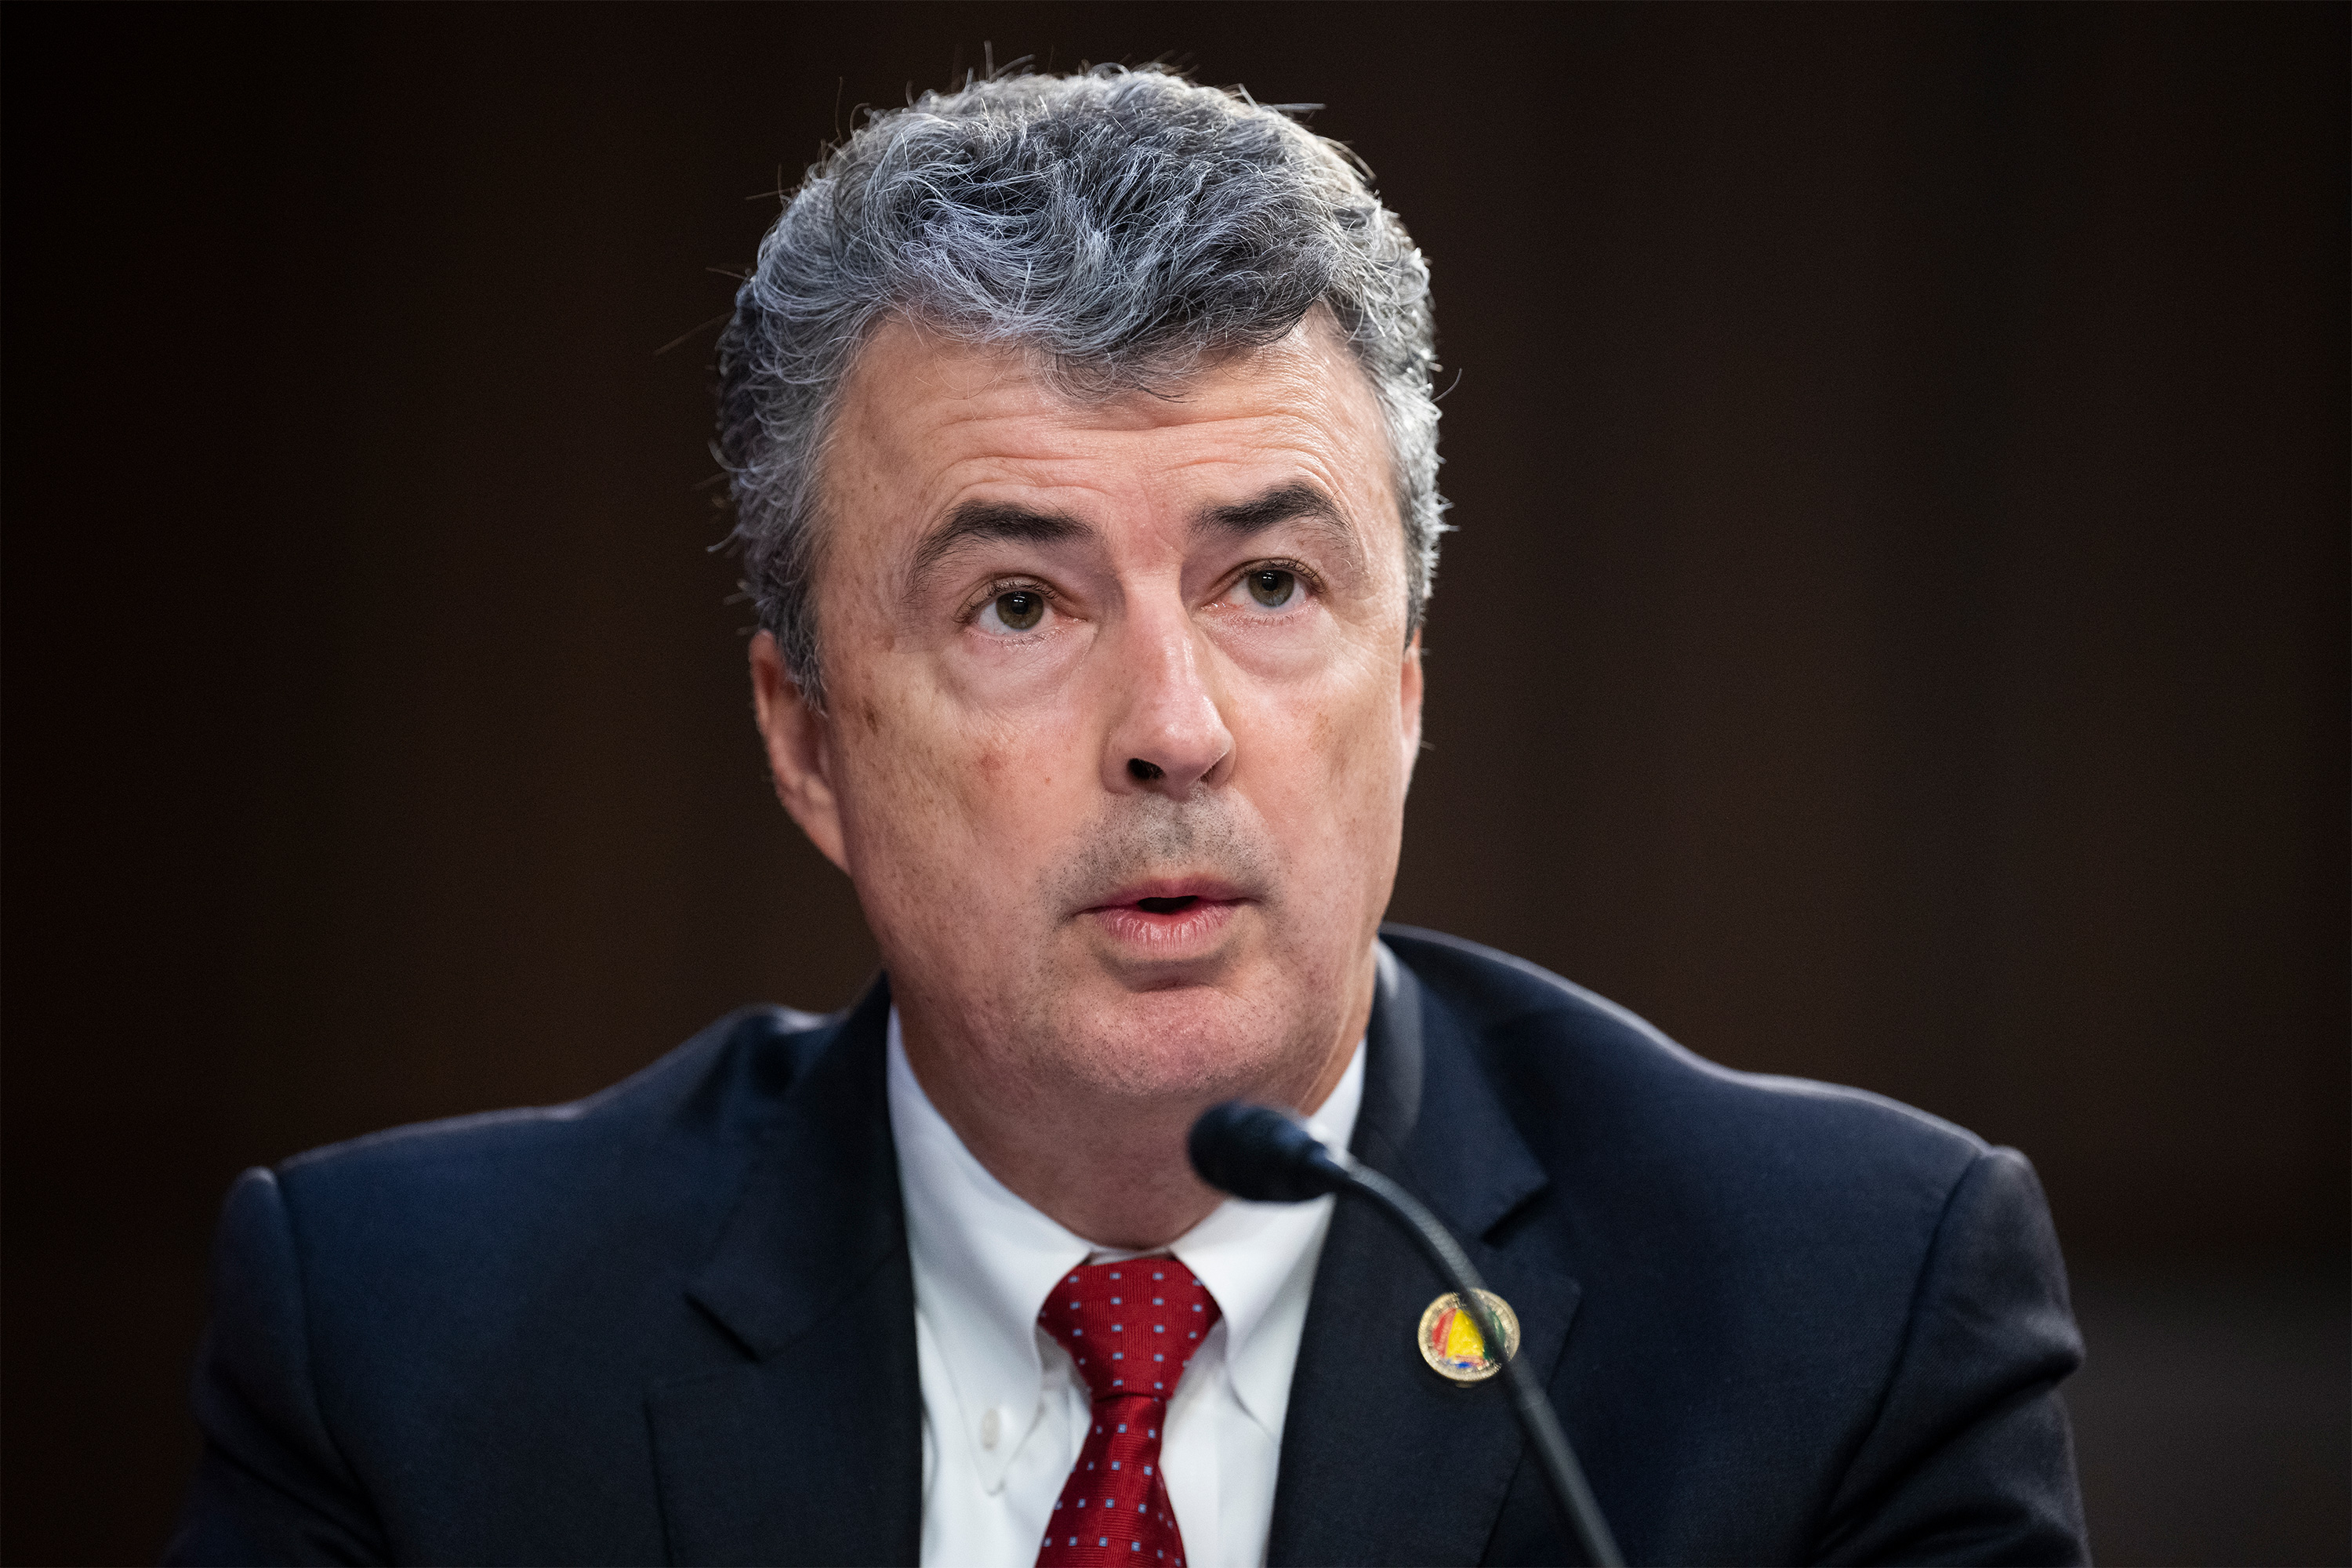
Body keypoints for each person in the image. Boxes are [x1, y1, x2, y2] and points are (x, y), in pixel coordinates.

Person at [168, 67, 2088, 1567]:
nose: (1177, 731)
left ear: (1406, 687)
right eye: (1019, 604)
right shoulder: (410, 1351)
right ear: (808, 741)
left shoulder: (1849, 1312)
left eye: (1269, 585)